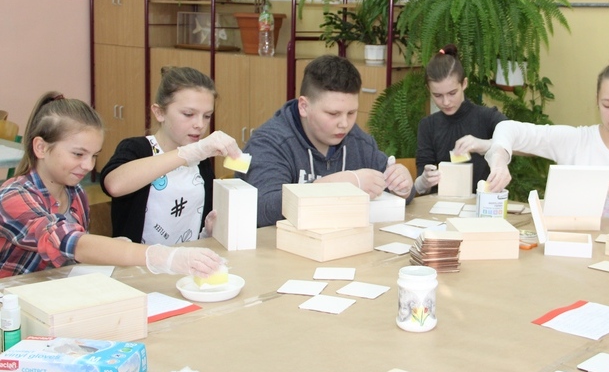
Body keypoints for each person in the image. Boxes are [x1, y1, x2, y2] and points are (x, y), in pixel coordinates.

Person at [0, 92, 223, 278]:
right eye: (78, 154)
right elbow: (69, 242)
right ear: (40, 148)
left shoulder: (75, 193)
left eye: (94, 156)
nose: (88, 166)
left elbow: (74, 260)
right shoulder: (13, 196)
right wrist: (164, 257)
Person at [481, 54, 609, 225]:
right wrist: (499, 158)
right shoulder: (576, 141)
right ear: (597, 100)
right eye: (607, 105)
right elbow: (508, 128)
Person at [241, 55, 414, 227]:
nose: (344, 124)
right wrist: (337, 185)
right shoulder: (269, 143)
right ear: (304, 107)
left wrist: (402, 187)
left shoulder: (358, 141)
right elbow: (263, 208)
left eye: (351, 113)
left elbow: (399, 192)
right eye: (333, 114)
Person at [100, 67, 241, 244]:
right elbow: (114, 185)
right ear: (159, 112)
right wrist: (188, 153)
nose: (200, 124)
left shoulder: (200, 161)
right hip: (139, 259)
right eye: (188, 114)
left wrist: (210, 230)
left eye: (207, 116)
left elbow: (201, 218)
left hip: (187, 257)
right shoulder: (137, 149)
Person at [414, 45, 506, 194]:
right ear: (429, 90)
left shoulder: (486, 117)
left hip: (483, 203)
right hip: (439, 203)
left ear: (464, 84)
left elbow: (519, 138)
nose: (446, 102)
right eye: (437, 95)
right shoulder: (428, 126)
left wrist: (484, 144)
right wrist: (424, 180)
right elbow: (421, 185)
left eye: (452, 93)